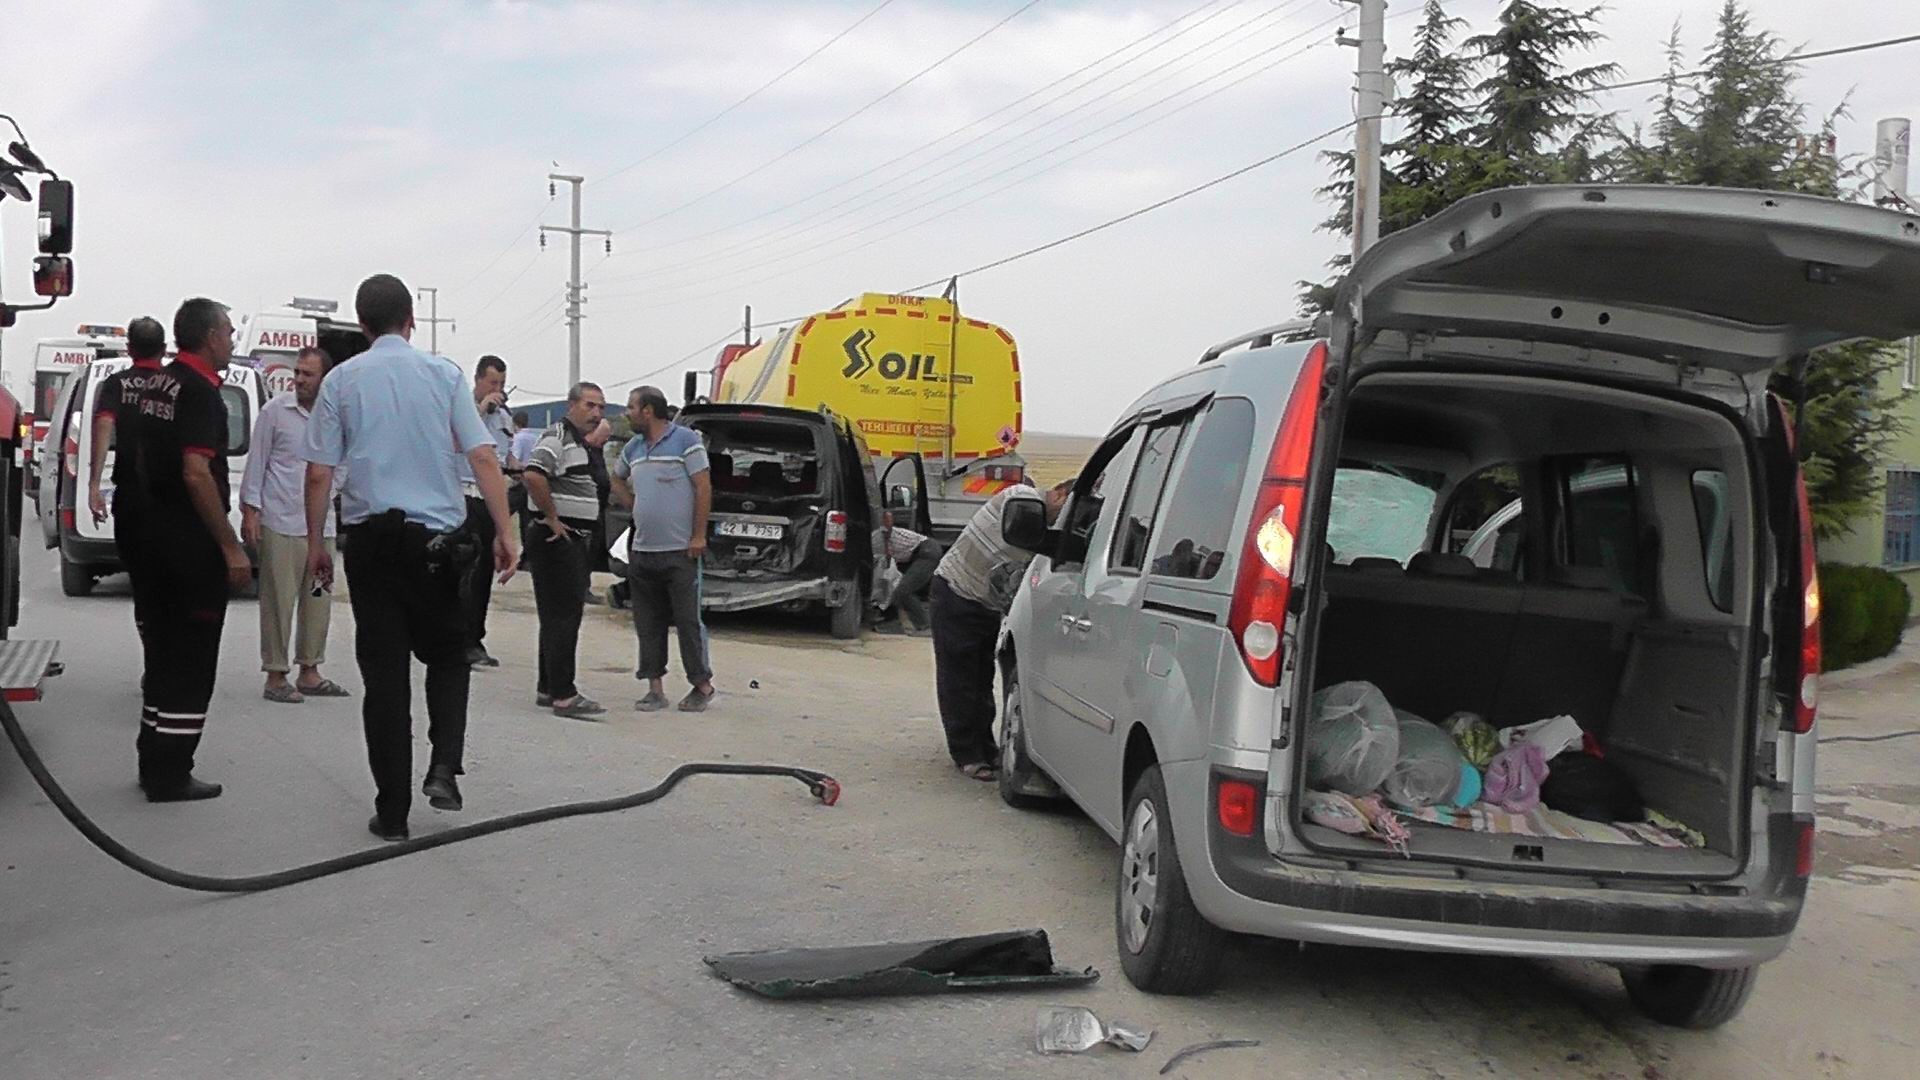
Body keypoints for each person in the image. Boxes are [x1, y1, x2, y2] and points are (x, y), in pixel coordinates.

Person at [303, 274, 516, 843]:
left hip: (372, 546)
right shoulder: (444, 375)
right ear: (412, 321)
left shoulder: (342, 381)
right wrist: (505, 532)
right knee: (448, 655)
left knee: (385, 678)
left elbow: (320, 471)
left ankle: (392, 813)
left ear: (363, 324)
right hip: (437, 547)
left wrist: (317, 544)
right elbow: (483, 455)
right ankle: (444, 765)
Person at [121, 299, 253, 801]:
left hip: (150, 540)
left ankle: (152, 757)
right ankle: (171, 772)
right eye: (228, 329)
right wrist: (230, 545)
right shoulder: (200, 394)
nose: (233, 338)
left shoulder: (156, 384)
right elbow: (196, 472)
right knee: (190, 659)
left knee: (161, 653)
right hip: (188, 547)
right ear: (207, 336)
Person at [930, 480, 1072, 782]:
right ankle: (966, 754)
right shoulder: (1021, 499)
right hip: (956, 592)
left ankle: (985, 747)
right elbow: (1025, 532)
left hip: (985, 604)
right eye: (1064, 509)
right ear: (1058, 493)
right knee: (959, 679)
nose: (1062, 519)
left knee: (982, 678)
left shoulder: (1037, 520)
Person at [240, 346, 349, 704]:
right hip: (281, 522)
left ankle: (310, 670)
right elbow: (257, 462)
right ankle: (275, 674)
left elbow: (344, 464)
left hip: (323, 528)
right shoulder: (275, 412)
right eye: (298, 373)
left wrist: (330, 493)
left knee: (318, 598)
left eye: (308, 374)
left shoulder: (337, 417)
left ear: (325, 379)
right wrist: (250, 511)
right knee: (279, 601)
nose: (299, 380)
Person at [609, 385, 715, 713]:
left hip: (680, 552)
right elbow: (616, 478)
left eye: (631, 407)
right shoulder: (634, 448)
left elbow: (703, 487)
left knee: (686, 620)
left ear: (648, 411)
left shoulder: (685, 441)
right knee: (648, 622)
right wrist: (635, 505)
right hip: (642, 551)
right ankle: (655, 688)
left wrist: (698, 536)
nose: (627, 413)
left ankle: (702, 685)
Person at [523, 382, 608, 719]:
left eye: (600, 407)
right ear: (571, 405)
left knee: (555, 615)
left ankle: (549, 686)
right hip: (558, 539)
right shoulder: (557, 436)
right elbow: (533, 475)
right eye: (590, 406)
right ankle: (564, 694)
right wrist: (552, 518)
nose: (597, 413)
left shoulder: (577, 443)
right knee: (564, 616)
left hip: (567, 538)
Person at [85, 316, 167, 656]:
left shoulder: (116, 385)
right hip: (172, 498)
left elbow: (103, 427)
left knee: (143, 582)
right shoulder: (173, 384)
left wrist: (93, 485)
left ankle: (152, 648)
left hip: (132, 498)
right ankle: (166, 650)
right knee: (169, 579)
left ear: (129, 348)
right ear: (163, 350)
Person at [458, 355, 517, 668]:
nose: (498, 390)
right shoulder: (464, 409)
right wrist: (480, 412)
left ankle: (474, 638)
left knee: (483, 573)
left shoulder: (504, 418)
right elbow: (461, 444)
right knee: (463, 571)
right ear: (478, 380)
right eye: (493, 383)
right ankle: (457, 638)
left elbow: (504, 457)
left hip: (491, 499)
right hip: (464, 496)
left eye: (502, 384)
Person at [877, 521, 940, 635]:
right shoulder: (882, 541)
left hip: (926, 551)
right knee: (895, 589)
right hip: (915, 555)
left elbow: (888, 521)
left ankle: (925, 626)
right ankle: (894, 621)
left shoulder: (885, 535)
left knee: (904, 591)